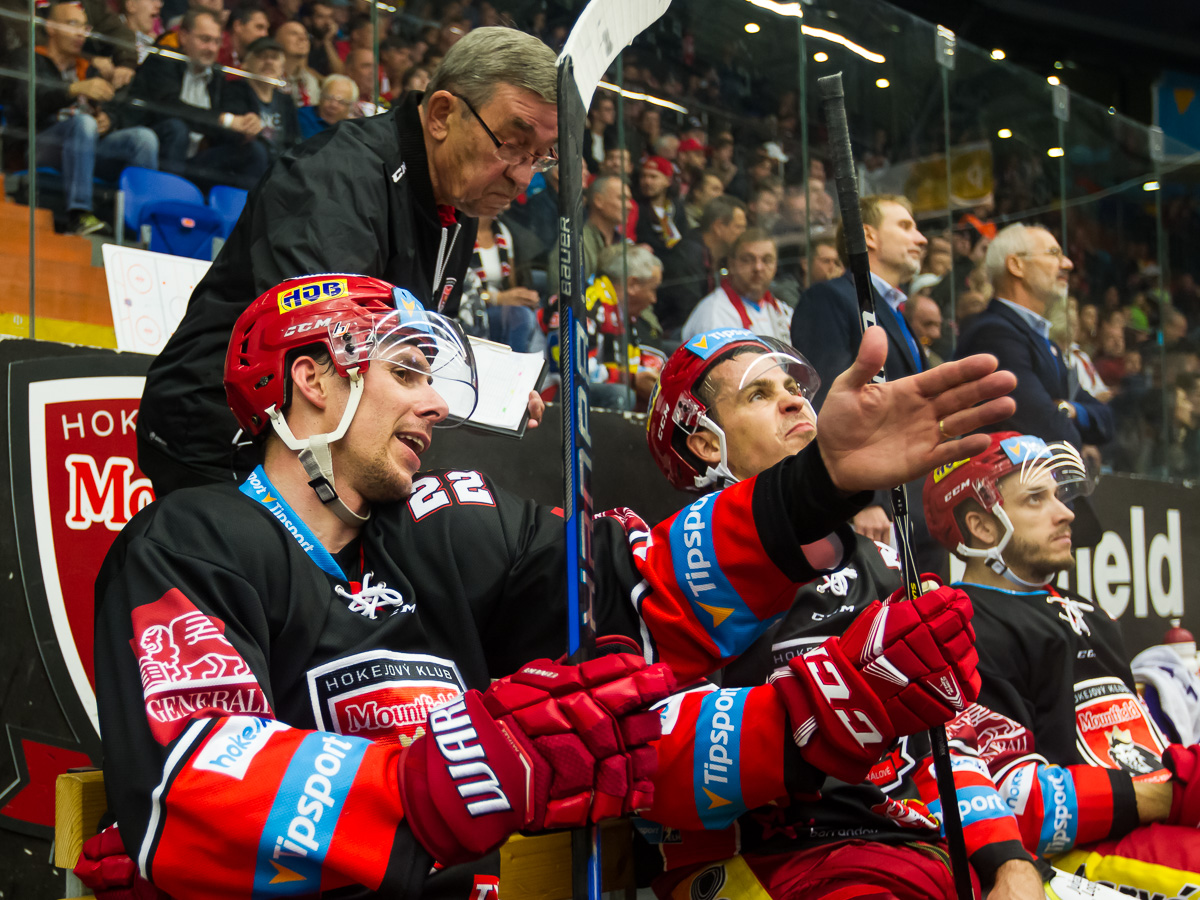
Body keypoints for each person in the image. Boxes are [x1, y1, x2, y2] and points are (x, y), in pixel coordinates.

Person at [83, 275, 1015, 900]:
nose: (436, 403)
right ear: (311, 380)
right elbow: (195, 776)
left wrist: (816, 484)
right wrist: (437, 779)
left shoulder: (443, 530)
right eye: (406, 371)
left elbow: (641, 593)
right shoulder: (192, 541)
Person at [642, 330, 1047, 900]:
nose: (793, 400)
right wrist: (836, 705)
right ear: (707, 444)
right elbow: (648, 756)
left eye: (792, 386)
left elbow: (945, 739)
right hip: (764, 861)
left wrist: (1008, 860)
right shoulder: (677, 571)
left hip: (908, 853)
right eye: (759, 394)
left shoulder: (883, 562)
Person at [137, 26, 559, 496]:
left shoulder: (459, 198)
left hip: (315, 438)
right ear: (442, 114)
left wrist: (482, 389)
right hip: (219, 433)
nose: (523, 177)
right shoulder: (335, 177)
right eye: (511, 145)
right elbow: (325, 354)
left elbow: (408, 337)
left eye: (540, 157)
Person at [923, 432, 1200, 897]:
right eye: (1036, 498)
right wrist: (1176, 794)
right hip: (1067, 858)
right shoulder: (961, 625)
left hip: (1148, 826)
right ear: (983, 526)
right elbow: (1009, 800)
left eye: (1058, 494)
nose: (1067, 512)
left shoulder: (1091, 613)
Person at [791, 194, 939, 570]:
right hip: (877, 508)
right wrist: (865, 498)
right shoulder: (828, 299)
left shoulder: (896, 311)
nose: (921, 238)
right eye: (905, 226)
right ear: (869, 236)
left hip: (916, 504)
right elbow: (827, 400)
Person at [5, 0, 159, 235]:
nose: (81, 33)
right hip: (40, 143)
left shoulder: (90, 68)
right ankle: (79, 214)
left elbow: (118, 110)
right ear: (51, 27)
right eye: (72, 24)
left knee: (143, 138)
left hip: (86, 147)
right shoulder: (27, 58)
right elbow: (27, 103)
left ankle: (139, 226)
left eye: (85, 27)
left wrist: (109, 120)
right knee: (82, 123)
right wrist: (72, 90)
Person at [956, 224, 1114, 452]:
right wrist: (1070, 424)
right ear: (1016, 265)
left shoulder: (1044, 342)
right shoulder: (993, 335)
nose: (1068, 264)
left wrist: (1068, 409)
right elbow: (1055, 435)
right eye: (1053, 253)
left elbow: (1107, 421)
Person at [126, 8, 266, 190]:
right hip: (158, 150)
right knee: (177, 128)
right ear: (184, 37)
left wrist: (247, 125)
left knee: (254, 151)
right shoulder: (164, 59)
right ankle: (167, 197)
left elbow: (226, 126)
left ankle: (246, 208)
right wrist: (226, 120)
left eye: (216, 41)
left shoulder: (217, 77)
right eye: (205, 39)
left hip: (196, 162)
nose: (212, 48)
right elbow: (169, 108)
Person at [657, 195, 746, 337]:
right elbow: (689, 314)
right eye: (739, 227)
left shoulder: (723, 258)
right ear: (718, 227)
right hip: (678, 333)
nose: (743, 234)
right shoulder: (687, 256)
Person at [682, 228, 791, 342]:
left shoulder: (781, 310)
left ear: (776, 265)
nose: (758, 267)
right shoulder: (714, 313)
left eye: (767, 260)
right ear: (731, 264)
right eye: (748, 260)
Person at [457, 212, 541, 350]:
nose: (509, 204)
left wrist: (521, 297)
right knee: (521, 316)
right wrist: (498, 298)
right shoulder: (460, 231)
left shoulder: (503, 231)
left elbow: (510, 286)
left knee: (531, 313)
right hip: (471, 311)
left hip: (498, 309)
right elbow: (460, 291)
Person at [219, 36, 300, 175]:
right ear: (245, 64)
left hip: (278, 171)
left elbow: (294, 142)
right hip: (243, 167)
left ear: (282, 67)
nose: (269, 61)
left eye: (274, 57)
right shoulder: (234, 91)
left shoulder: (286, 101)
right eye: (261, 56)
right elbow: (233, 139)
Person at [635, 155, 686, 259]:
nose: (647, 182)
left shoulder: (677, 207)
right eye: (643, 176)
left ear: (668, 181)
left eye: (653, 177)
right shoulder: (636, 208)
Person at [297, 73, 356, 140]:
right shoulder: (301, 117)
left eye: (341, 102)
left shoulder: (351, 130)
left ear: (350, 108)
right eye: (328, 98)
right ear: (320, 98)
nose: (333, 105)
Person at [275, 20, 321, 107]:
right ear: (277, 41)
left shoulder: (310, 81)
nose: (303, 38)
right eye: (294, 34)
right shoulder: (269, 76)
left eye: (305, 35)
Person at [218, 2, 269, 69]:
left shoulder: (253, 57)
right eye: (259, 27)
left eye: (267, 29)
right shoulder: (217, 47)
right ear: (238, 26)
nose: (265, 35)